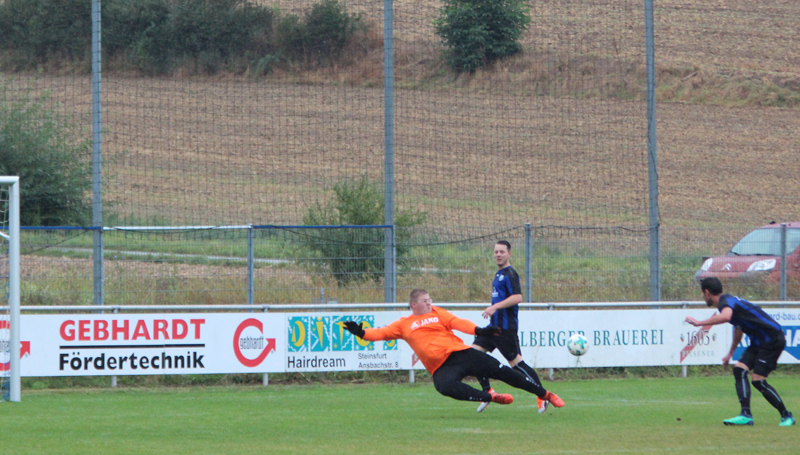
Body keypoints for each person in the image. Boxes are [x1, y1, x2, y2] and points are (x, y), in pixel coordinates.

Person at [343, 289, 564, 410]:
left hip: (460, 353)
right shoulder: (403, 324)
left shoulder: (438, 313)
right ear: (414, 305)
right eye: (425, 301)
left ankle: (545, 394)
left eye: (430, 300)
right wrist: (361, 333)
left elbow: (458, 323)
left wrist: (479, 330)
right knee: (443, 387)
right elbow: (379, 334)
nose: (430, 303)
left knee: (504, 372)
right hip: (440, 367)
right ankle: (488, 397)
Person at [685, 277, 794, 426]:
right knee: (739, 370)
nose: (703, 297)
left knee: (758, 381)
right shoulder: (728, 303)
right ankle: (746, 415)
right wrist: (731, 353)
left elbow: (726, 317)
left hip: (772, 339)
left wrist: (699, 323)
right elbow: (738, 329)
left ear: (707, 292)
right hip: (759, 341)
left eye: (702, 294)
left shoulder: (726, 303)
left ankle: (786, 415)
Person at [472, 240, 550, 414]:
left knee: (517, 365)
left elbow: (517, 297)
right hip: (493, 328)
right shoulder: (498, 274)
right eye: (496, 252)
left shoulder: (510, 274)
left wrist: (494, 307)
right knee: (473, 355)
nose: (498, 254)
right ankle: (488, 393)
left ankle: (542, 396)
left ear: (509, 254)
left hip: (506, 329)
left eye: (501, 252)